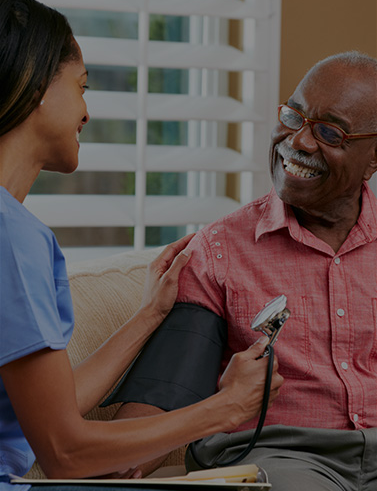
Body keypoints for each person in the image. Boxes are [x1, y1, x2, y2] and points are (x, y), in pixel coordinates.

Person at [0, 0, 284, 490]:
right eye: (82, 87)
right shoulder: (14, 238)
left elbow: (51, 408)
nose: (87, 113)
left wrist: (148, 314)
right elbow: (65, 451)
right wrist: (225, 408)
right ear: (35, 84)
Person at [108, 51, 377, 491]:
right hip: (284, 460)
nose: (301, 142)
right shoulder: (218, 253)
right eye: (293, 116)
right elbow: (155, 414)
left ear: (373, 157)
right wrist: (106, 456)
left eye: (329, 132)